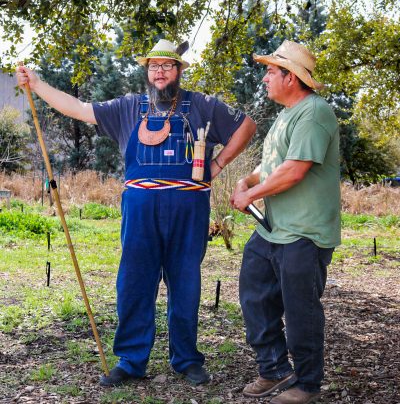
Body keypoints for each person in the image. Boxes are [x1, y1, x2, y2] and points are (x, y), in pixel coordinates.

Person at [17, 39, 256, 388]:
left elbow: (246, 125)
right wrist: (38, 85)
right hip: (141, 209)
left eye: (167, 66)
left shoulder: (202, 105)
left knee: (186, 283)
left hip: (188, 209)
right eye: (153, 66)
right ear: (147, 72)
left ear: (179, 70)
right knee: (134, 282)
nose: (160, 72)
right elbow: (79, 108)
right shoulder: (128, 106)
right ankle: (131, 360)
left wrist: (218, 163)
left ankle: (187, 359)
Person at [231, 40, 341, 404]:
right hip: (273, 229)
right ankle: (275, 369)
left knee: (300, 310)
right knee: (253, 294)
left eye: (271, 71)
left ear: (291, 77)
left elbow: (294, 171)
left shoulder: (315, 112)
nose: (264, 78)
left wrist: (253, 194)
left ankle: (307, 384)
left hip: (304, 233)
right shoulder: (286, 115)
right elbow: (276, 164)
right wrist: (248, 181)